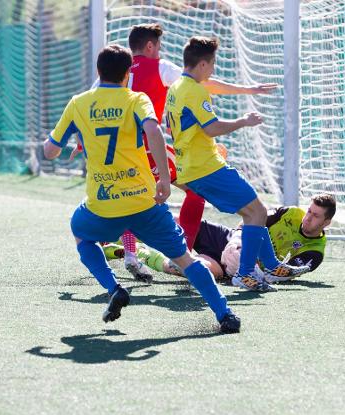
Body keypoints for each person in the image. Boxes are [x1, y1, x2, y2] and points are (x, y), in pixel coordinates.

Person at [43, 44, 240, 333]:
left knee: (81, 234)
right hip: (145, 203)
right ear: (127, 74)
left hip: (102, 205)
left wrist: (66, 139)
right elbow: (153, 130)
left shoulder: (78, 103)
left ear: (99, 72)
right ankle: (225, 315)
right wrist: (162, 178)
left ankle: (113, 288)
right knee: (186, 259)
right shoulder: (137, 99)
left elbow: (50, 152)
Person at [75, 23, 277, 284]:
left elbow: (90, 109)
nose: (159, 51)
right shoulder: (160, 67)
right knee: (192, 193)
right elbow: (203, 82)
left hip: (116, 155)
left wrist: (80, 143)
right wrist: (248, 90)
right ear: (150, 46)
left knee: (127, 198)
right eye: (158, 46)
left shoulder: (112, 72)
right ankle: (183, 256)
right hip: (148, 149)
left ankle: (129, 252)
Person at [165, 36, 310, 292]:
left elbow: (179, 124)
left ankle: (271, 265)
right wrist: (243, 120)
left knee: (253, 213)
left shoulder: (176, 87)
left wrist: (249, 89)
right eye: (212, 65)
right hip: (207, 168)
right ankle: (245, 274)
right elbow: (211, 127)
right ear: (201, 65)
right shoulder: (195, 91)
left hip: (193, 166)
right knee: (257, 212)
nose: (213, 70)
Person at [115, 194, 336, 282]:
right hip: (227, 241)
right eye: (309, 211)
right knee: (175, 224)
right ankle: (119, 231)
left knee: (184, 268)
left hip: (229, 269)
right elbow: (252, 217)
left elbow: (282, 275)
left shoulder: (315, 252)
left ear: (326, 223)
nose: (307, 218)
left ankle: (136, 253)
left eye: (315, 216)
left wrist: (250, 269)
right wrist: (237, 239)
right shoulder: (290, 213)